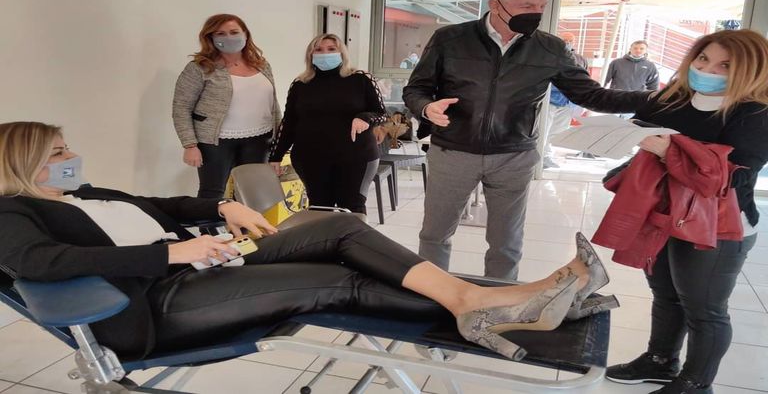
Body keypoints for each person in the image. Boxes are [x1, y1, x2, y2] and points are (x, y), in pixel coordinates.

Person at [0, 121, 611, 362]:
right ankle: (499, 305)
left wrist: (221, 205)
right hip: (159, 301)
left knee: (338, 226)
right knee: (336, 283)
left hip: (202, 265)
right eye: (57, 151)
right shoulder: (11, 211)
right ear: (22, 162)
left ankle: (480, 301)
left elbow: (161, 206)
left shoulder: (84, 194)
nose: (72, 156)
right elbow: (40, 261)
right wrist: (169, 253)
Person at [403, 0, 651, 280]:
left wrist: (655, 99)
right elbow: (416, 89)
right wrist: (426, 108)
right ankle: (431, 293)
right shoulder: (450, 39)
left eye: (541, 6)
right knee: (434, 234)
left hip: (513, 156)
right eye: (526, 6)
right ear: (495, 5)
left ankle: (501, 299)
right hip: (453, 152)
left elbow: (592, 95)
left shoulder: (551, 48)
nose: (536, 13)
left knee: (506, 243)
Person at [603, 30, 768, 394]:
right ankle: (660, 361)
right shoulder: (675, 99)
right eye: (703, 59)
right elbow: (631, 117)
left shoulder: (756, 113)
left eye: (725, 65)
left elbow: (731, 177)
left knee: (704, 309)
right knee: (666, 294)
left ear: (750, 69)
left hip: (719, 225)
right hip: (665, 213)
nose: (708, 70)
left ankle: (696, 384)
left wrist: (668, 151)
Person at [269, 34, 386, 215]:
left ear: (342, 53)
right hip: (310, 158)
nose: (325, 53)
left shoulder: (361, 78)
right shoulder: (300, 84)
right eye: (318, 49)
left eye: (331, 49)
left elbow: (381, 114)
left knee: (353, 208)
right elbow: (289, 122)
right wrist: (276, 156)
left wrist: (365, 117)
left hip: (356, 156)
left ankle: (352, 235)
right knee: (319, 209)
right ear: (310, 55)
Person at [172, 14, 281, 198]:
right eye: (220, 33)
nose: (229, 37)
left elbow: (273, 104)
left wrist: (279, 141)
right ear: (211, 37)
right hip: (215, 142)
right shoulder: (199, 68)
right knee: (212, 193)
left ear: (245, 34)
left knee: (252, 193)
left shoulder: (262, 65)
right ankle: (209, 219)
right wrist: (190, 145)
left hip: (259, 140)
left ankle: (245, 219)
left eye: (234, 32)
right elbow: (181, 107)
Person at [543, 32, 589, 168]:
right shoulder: (549, 56)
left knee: (557, 132)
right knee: (544, 130)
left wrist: (582, 101)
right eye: (564, 40)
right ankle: (543, 157)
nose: (567, 43)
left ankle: (547, 155)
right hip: (550, 100)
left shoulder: (580, 59)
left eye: (570, 40)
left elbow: (584, 80)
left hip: (568, 102)